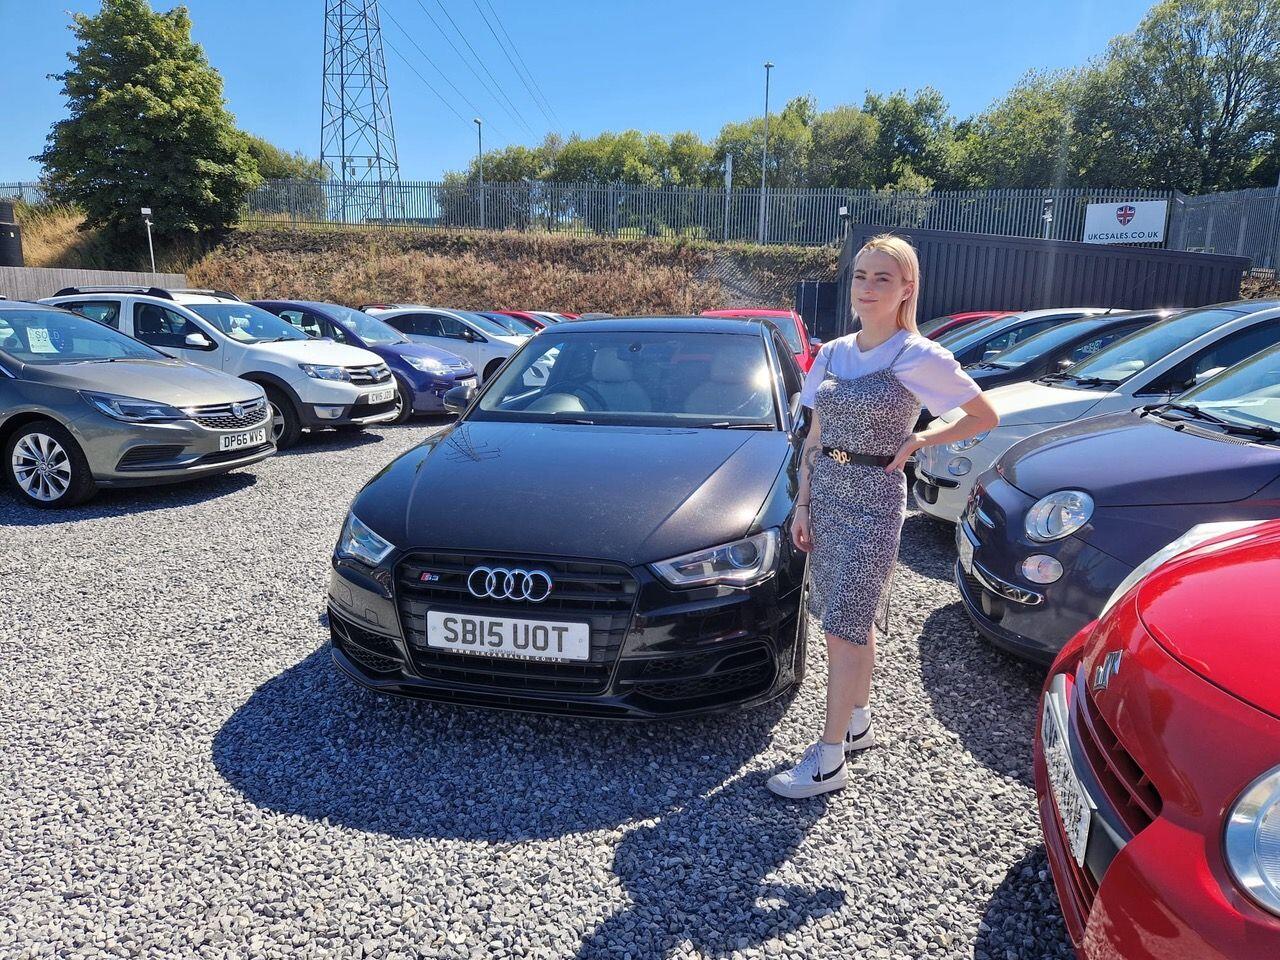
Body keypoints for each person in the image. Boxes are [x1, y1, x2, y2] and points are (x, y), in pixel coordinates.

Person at [767, 234, 999, 800]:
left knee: (842, 627)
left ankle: (828, 761)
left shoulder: (918, 355)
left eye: (882, 279)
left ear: (906, 290)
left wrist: (922, 437)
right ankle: (860, 722)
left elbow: (983, 415)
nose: (867, 289)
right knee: (854, 618)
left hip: (874, 499)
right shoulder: (833, 351)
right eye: (860, 276)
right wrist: (802, 502)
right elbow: (815, 435)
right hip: (828, 494)